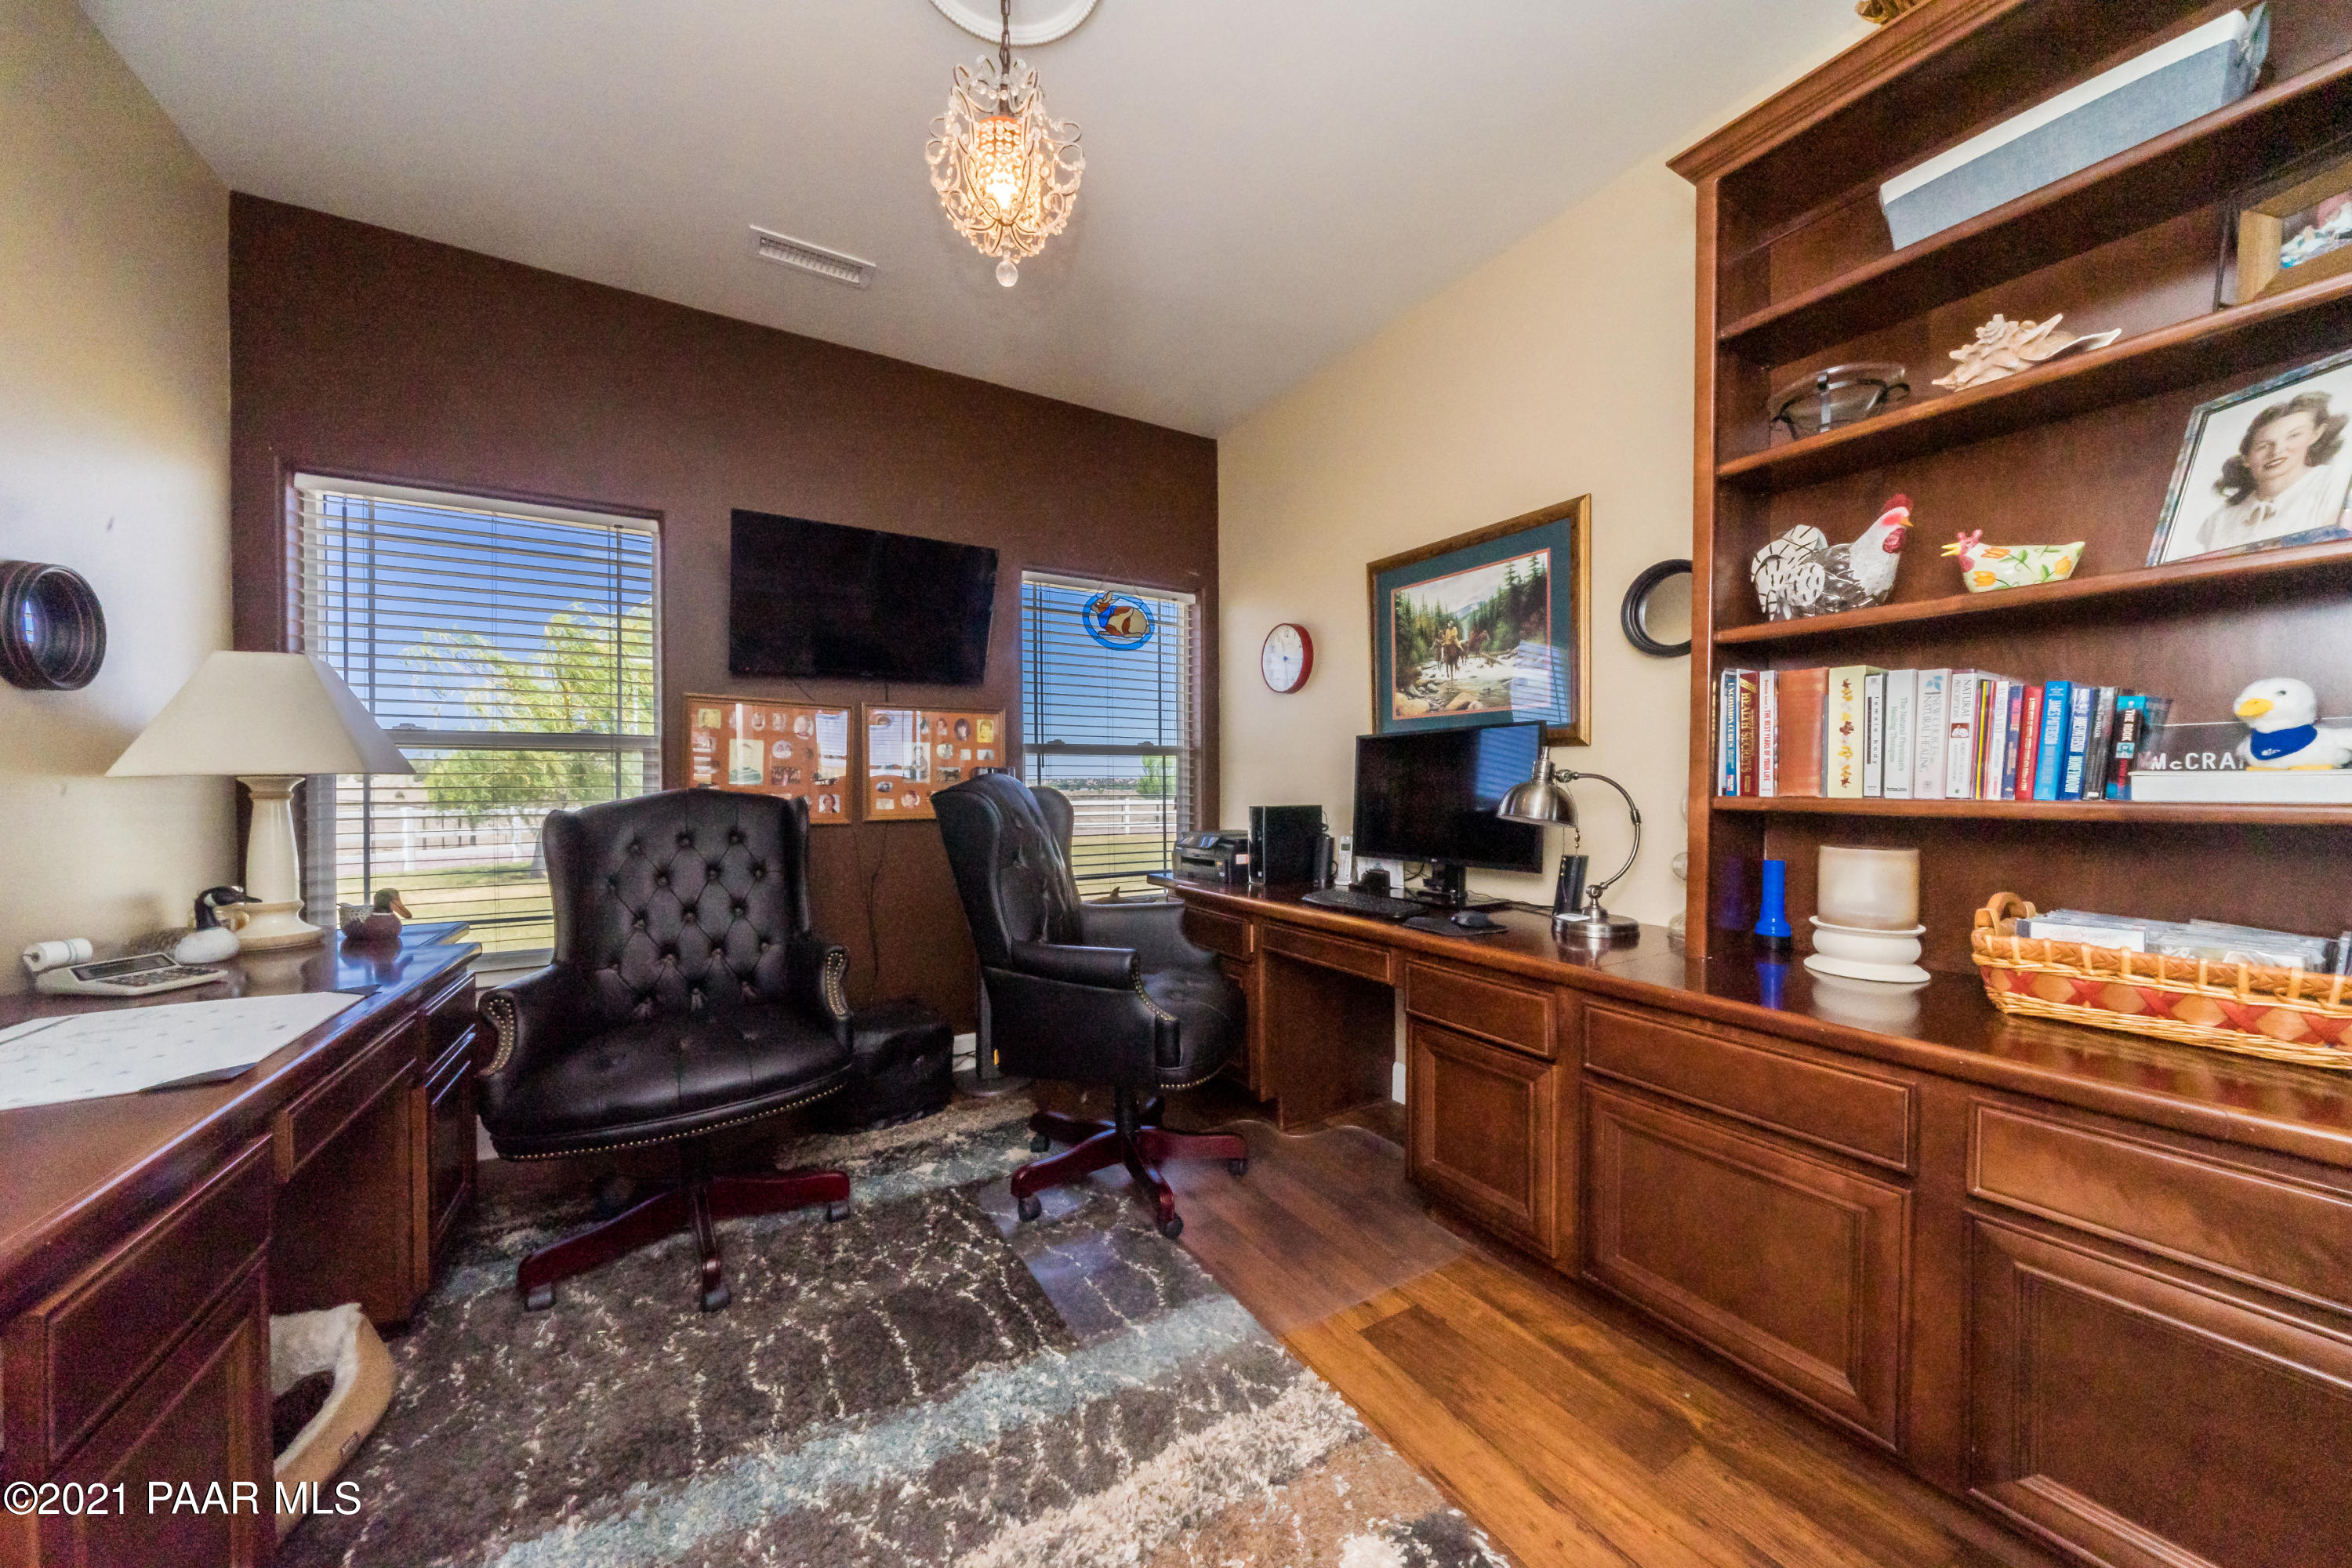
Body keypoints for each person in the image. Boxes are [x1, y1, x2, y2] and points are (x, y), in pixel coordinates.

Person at [2190, 390, 2352, 557]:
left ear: (2315, 435)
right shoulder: (2219, 520)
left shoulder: (2337, 485)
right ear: (2246, 458)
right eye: (2264, 446)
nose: (2277, 451)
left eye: (2293, 436)